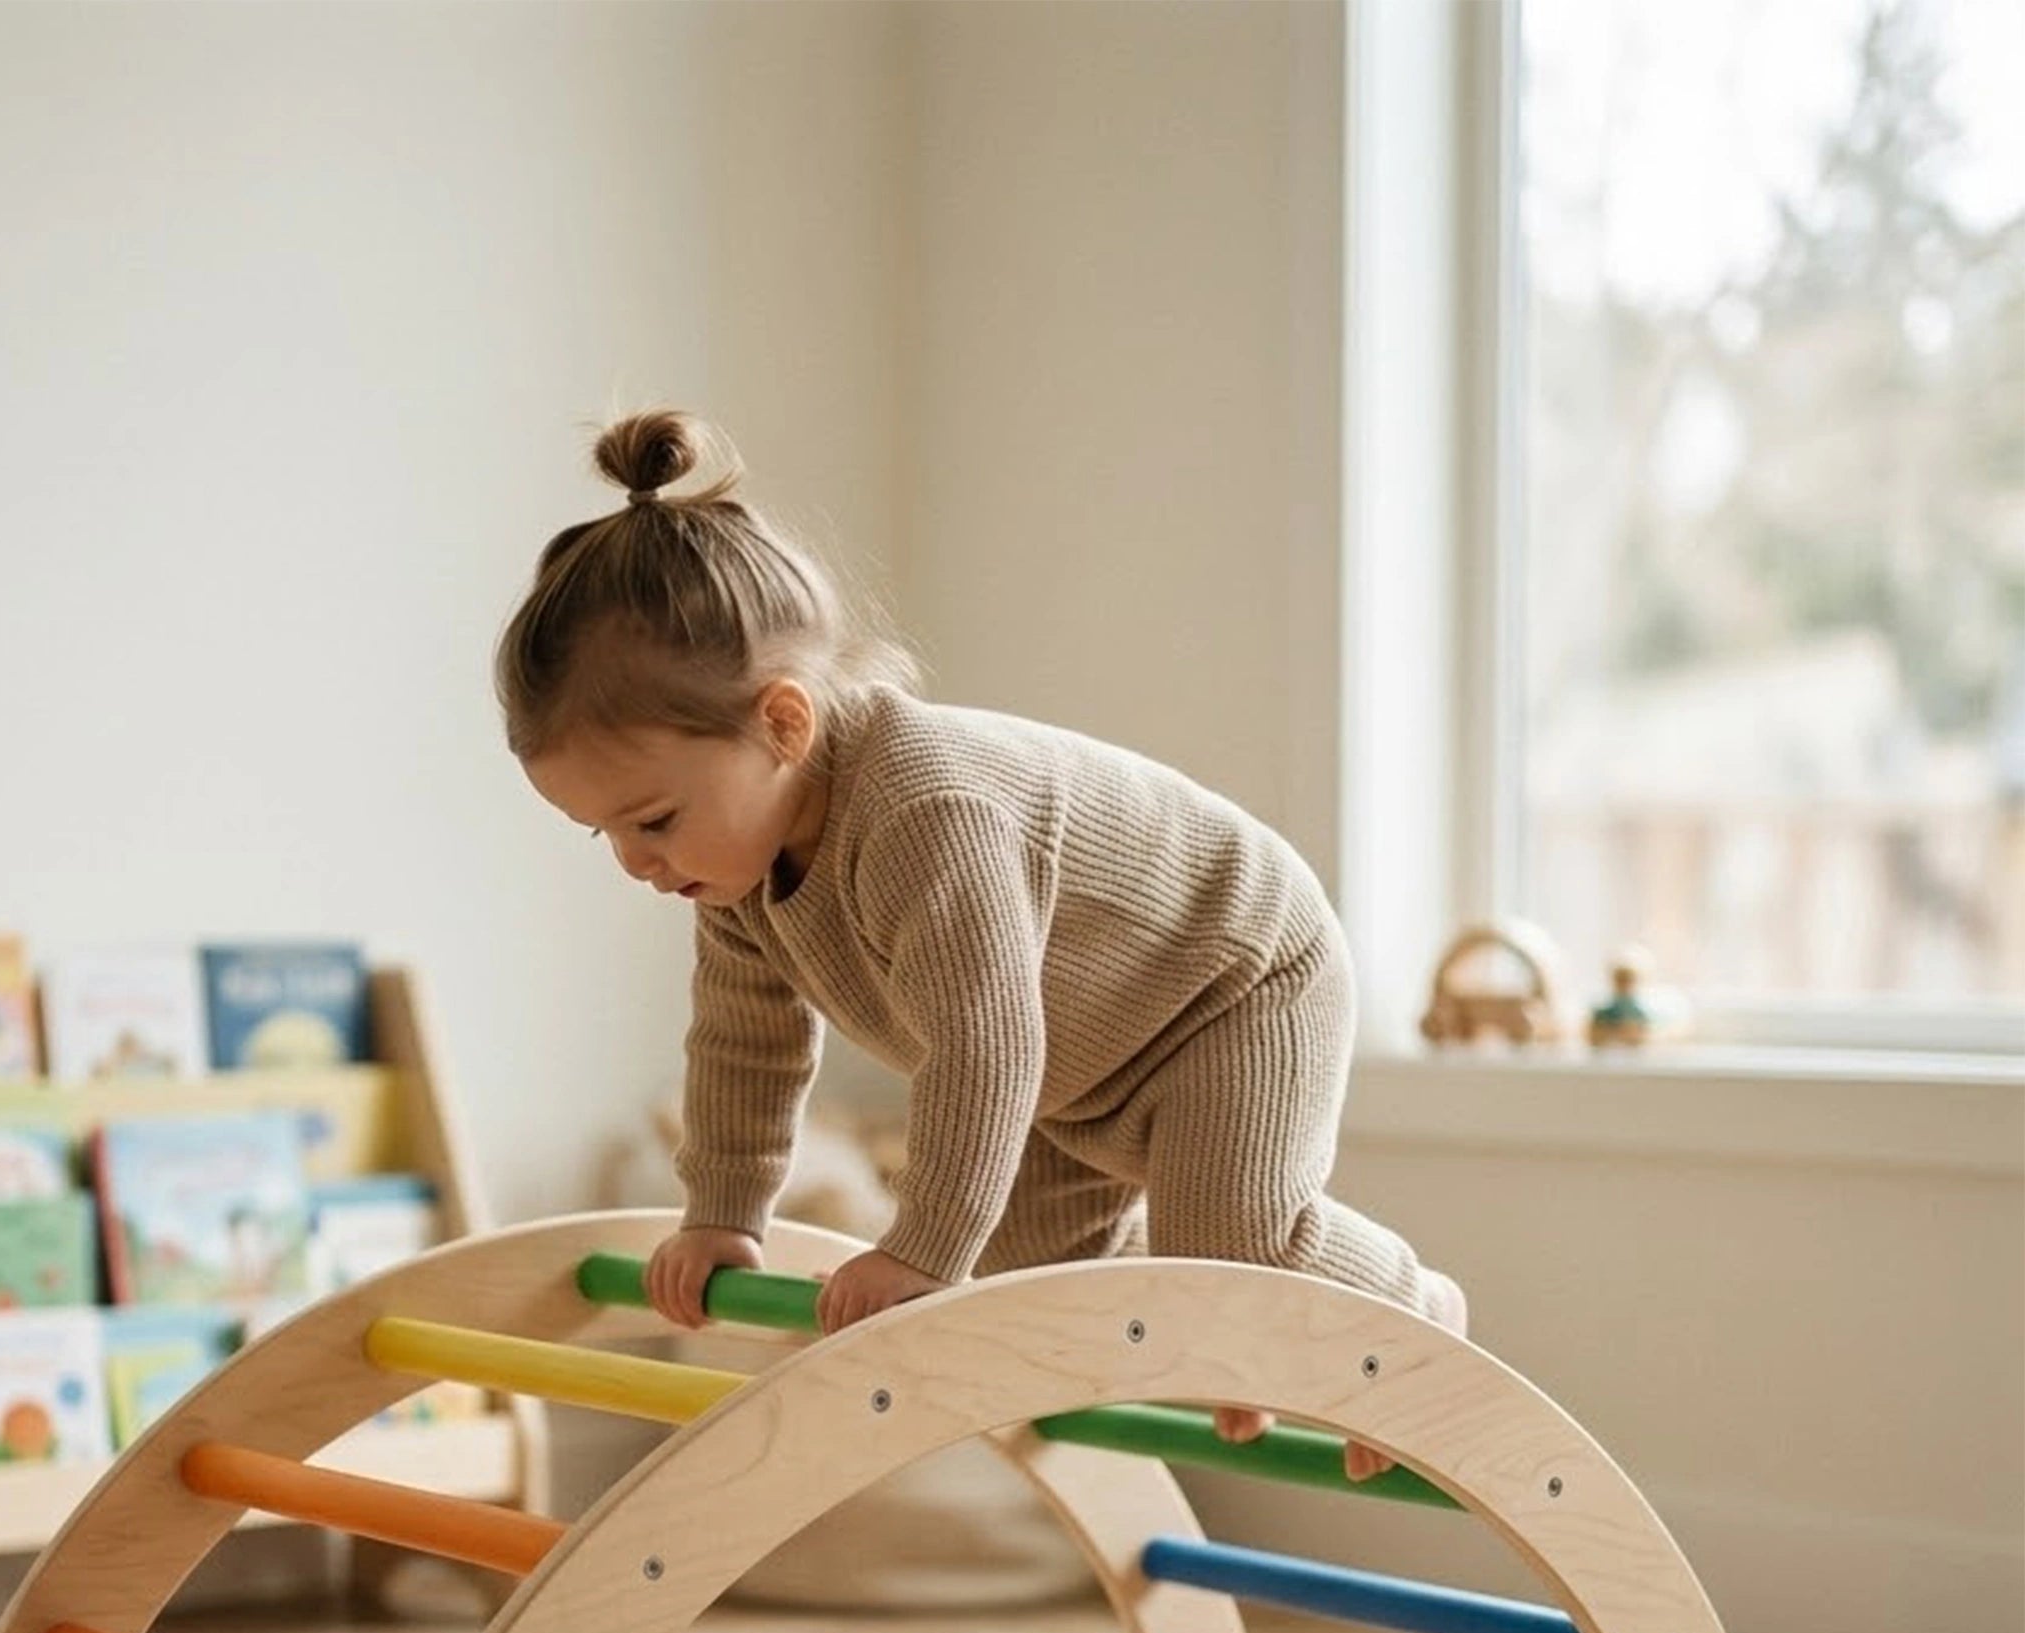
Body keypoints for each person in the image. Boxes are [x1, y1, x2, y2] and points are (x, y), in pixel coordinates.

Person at [496, 410, 1465, 1481]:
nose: (635, 860)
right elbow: (740, 1046)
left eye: (653, 817)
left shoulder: (923, 807)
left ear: (781, 725)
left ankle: (1409, 1309)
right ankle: (1235, 1317)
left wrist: (915, 1247)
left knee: (1229, 1238)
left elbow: (984, 1048)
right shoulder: (731, 877)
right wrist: (723, 1213)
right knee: (1036, 1274)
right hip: (1079, 1057)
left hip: (1230, 980)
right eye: (606, 833)